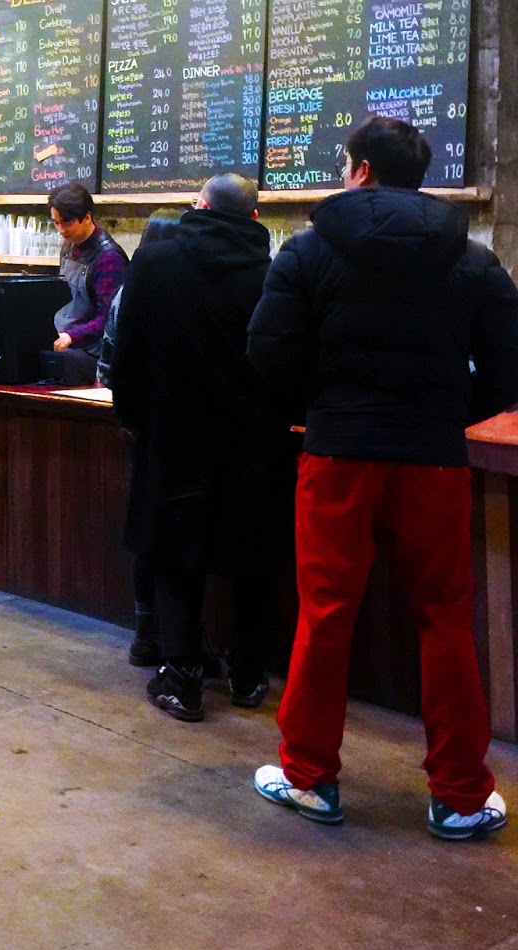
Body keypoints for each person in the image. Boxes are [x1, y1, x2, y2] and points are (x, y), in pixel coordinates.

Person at [248, 115, 518, 839]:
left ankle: (309, 778)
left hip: (338, 452)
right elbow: (507, 370)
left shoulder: (307, 251)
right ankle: (460, 795)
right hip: (433, 456)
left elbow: (267, 351)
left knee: (325, 612)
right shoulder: (473, 259)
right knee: (446, 618)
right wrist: (449, 410)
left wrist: (324, 407)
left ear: (361, 169)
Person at [110, 174, 283, 721]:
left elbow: (127, 352)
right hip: (253, 440)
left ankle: (182, 675)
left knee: (173, 554)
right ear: (254, 218)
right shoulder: (274, 273)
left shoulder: (155, 263)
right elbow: (287, 359)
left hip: (173, 435)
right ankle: (249, 673)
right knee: (251, 557)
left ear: (199, 205)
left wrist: (131, 416)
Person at [96, 207, 184, 669]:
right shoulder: (193, 289)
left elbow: (108, 365)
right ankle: (181, 639)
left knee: (147, 528)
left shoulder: (129, 293)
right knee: (177, 535)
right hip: (186, 432)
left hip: (142, 430)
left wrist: (127, 415)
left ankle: (146, 633)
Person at [48, 182, 128, 385]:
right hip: (66, 338)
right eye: (56, 223)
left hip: (94, 351)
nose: (61, 230)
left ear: (87, 217)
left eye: (67, 223)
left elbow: (108, 319)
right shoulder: (69, 245)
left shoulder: (109, 258)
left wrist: (72, 336)